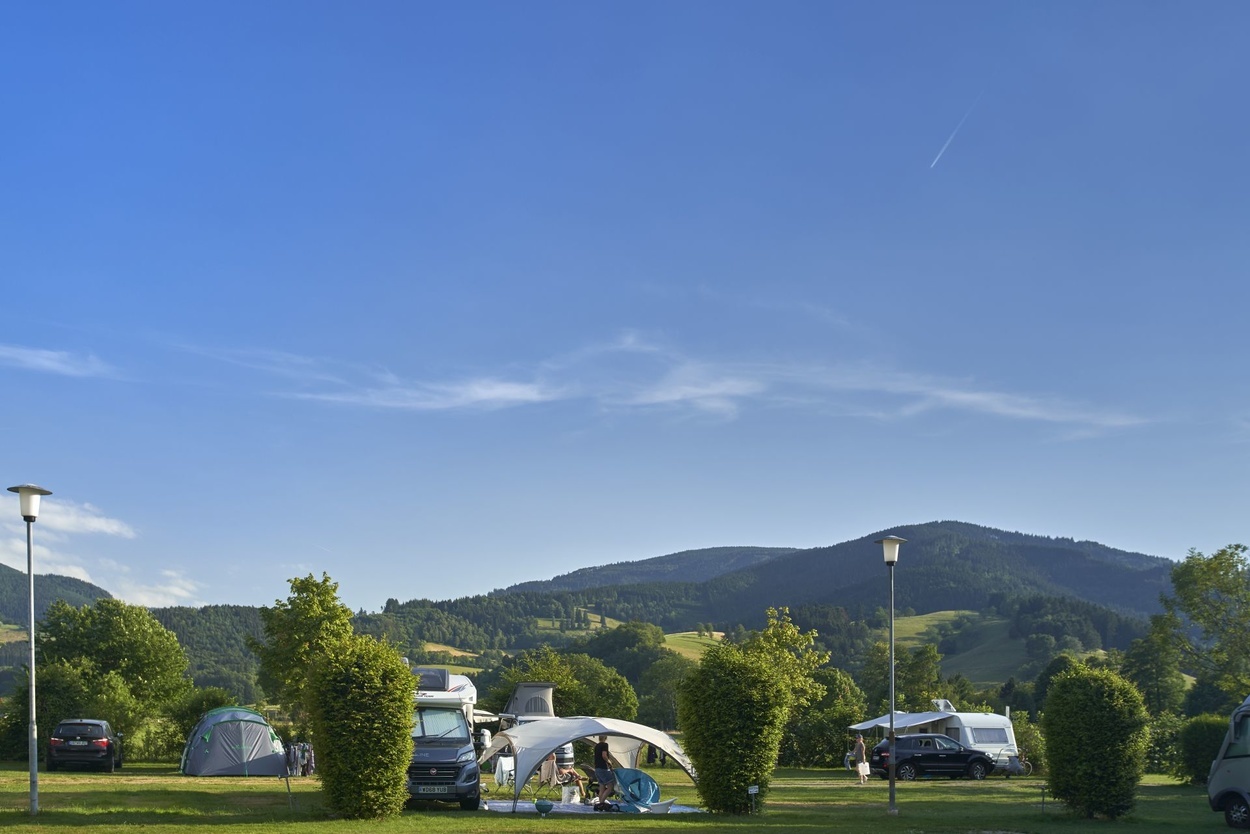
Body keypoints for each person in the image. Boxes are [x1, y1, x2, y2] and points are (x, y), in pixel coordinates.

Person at [593, 734, 616, 807]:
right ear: (605, 738)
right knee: (610, 786)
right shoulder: (605, 745)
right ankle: (601, 803)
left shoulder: (597, 746)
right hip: (603, 768)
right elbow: (604, 755)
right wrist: (609, 762)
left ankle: (600, 803)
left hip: (597, 768)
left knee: (602, 787)